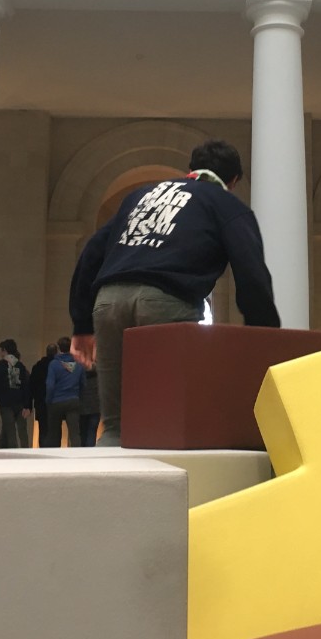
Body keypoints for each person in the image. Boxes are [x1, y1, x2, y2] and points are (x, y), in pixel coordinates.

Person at [69, 138, 280, 447]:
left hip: (109, 301)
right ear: (233, 180)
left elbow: (91, 253)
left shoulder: (141, 196)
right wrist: (264, 335)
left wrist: (81, 324)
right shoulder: (226, 204)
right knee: (166, 419)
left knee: (115, 425)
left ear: (190, 169)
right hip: (166, 301)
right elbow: (251, 271)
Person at [0, 338, 31, 448]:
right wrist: (28, 405)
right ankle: (25, 449)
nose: (0, 353)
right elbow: (26, 386)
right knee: (21, 430)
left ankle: (13, 451)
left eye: (1, 350)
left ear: (5, 350)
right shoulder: (20, 366)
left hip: (5, 403)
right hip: (20, 402)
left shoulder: (0, 366)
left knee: (10, 429)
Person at [44, 338, 85, 447]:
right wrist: (78, 397)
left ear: (58, 348)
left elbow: (50, 385)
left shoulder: (54, 364)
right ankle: (76, 454)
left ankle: (54, 454)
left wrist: (48, 401)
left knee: (54, 433)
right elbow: (83, 384)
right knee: (74, 433)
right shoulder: (78, 364)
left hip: (56, 401)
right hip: (73, 400)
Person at [29, 342, 57, 446]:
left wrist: (30, 403)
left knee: (43, 428)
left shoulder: (37, 366)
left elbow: (32, 385)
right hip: (55, 401)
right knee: (54, 428)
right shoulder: (58, 366)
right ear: (56, 353)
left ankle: (43, 448)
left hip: (40, 401)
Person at [77, 358, 101, 447]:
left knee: (82, 432)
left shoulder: (79, 376)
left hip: (81, 407)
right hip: (95, 407)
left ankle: (82, 450)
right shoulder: (98, 377)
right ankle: (90, 450)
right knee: (92, 432)